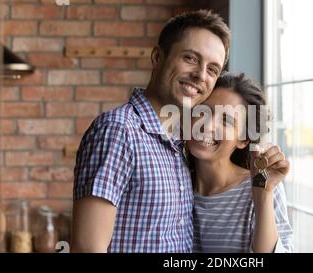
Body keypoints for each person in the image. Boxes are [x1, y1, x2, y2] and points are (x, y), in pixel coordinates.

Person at [71, 10, 230, 253]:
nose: (200, 75)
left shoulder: (180, 143)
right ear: (158, 57)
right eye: (190, 58)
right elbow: (87, 247)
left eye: (212, 69)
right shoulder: (118, 131)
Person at [188, 72, 293, 252]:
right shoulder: (174, 182)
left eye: (226, 120)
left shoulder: (262, 185)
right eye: (203, 111)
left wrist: (263, 196)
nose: (208, 125)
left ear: (243, 139)